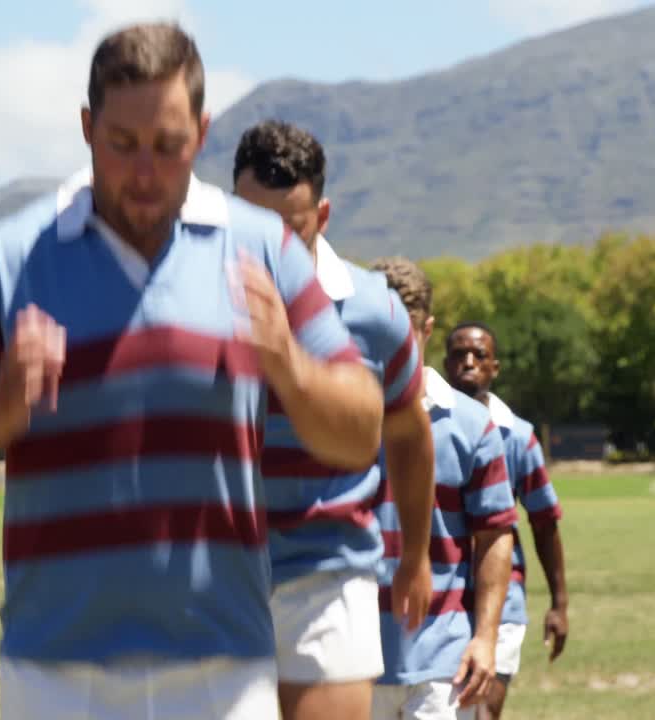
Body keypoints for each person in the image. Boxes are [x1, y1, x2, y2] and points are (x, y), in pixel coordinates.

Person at [0, 22, 385, 720]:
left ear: (203, 133)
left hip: (225, 672)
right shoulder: (12, 257)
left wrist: (293, 371)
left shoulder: (262, 249)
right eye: (122, 145)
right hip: (56, 674)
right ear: (87, 129)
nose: (146, 172)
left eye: (169, 145)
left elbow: (360, 430)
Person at [232, 120, 436, 720]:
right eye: (250, 225)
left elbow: (409, 437)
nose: (267, 245)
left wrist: (417, 557)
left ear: (322, 216)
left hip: (329, 571)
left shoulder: (374, 311)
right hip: (217, 574)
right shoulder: (193, 293)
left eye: (288, 228)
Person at [369, 256, 516, 720]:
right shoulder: (335, 417)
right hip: (351, 659)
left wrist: (486, 637)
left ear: (427, 330)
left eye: (404, 331)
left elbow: (495, 534)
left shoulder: (472, 425)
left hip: (442, 667)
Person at [442, 322, 568, 720]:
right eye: (459, 354)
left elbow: (544, 522)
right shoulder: (424, 427)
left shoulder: (518, 436)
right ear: (444, 364)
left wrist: (559, 603)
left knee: (482, 711)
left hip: (503, 598)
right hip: (442, 598)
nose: (468, 362)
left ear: (495, 367)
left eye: (479, 355)